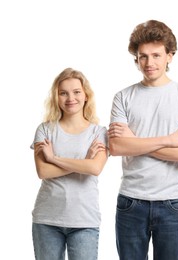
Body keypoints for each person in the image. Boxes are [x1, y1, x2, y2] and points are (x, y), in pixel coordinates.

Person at [108, 20, 178, 260]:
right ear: (136, 58)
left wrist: (135, 142)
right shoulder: (123, 97)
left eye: (156, 55)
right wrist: (171, 139)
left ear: (170, 56)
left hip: (171, 203)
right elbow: (118, 147)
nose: (149, 63)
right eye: (143, 57)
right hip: (131, 201)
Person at [30, 68, 108, 260]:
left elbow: (94, 168)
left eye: (76, 92)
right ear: (56, 97)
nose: (70, 98)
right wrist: (83, 163)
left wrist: (54, 158)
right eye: (63, 93)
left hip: (84, 221)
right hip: (47, 219)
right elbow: (43, 171)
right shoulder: (45, 130)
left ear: (86, 96)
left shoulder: (99, 133)